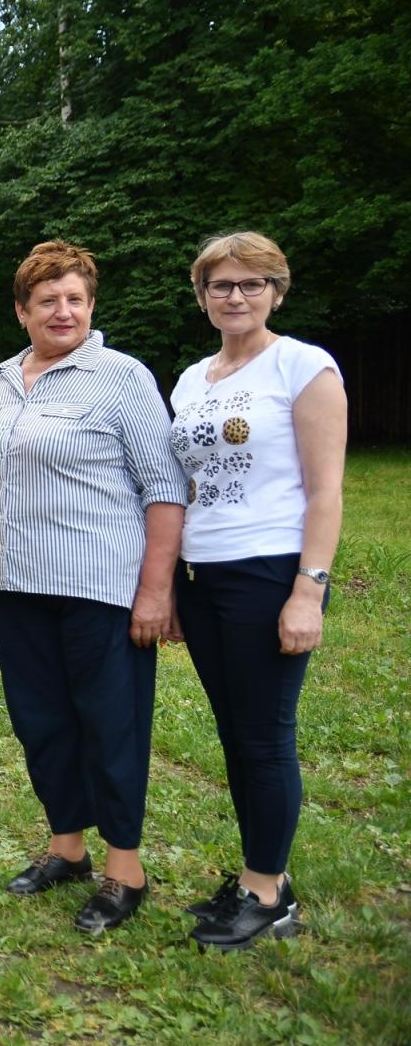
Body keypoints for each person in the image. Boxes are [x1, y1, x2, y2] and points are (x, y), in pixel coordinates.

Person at [0, 240, 186, 934]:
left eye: (76, 299)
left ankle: (126, 870)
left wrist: (156, 591)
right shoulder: (0, 380)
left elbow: (165, 486)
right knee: (41, 721)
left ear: (91, 305)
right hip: (13, 582)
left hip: (98, 584)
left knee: (110, 724)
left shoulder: (121, 378)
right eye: (48, 300)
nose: (64, 311)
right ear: (22, 310)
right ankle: (67, 849)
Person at [167, 231, 347, 950]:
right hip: (203, 574)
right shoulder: (192, 380)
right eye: (221, 285)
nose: (236, 296)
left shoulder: (303, 367)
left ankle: (267, 893)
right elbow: (187, 483)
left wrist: (309, 589)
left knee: (265, 735)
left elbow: (327, 490)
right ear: (203, 296)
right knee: (235, 731)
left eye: (252, 284)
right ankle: (260, 875)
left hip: (270, 572)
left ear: (276, 291)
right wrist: (173, 581)